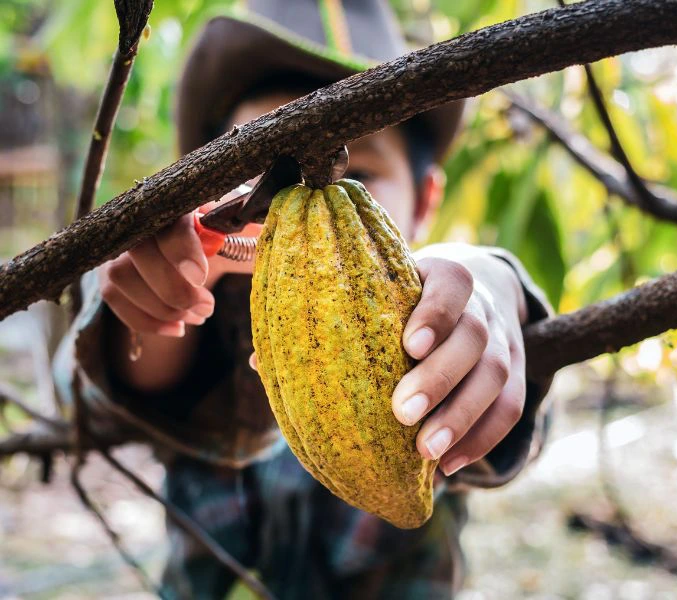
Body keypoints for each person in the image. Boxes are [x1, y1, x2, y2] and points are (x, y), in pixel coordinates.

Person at [55, 1, 554, 598]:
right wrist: (141, 321)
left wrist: (496, 282)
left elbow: (507, 420)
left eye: (356, 175)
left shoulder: (433, 317)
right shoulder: (213, 326)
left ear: (423, 203)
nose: (303, 203)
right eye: (267, 183)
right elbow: (86, 396)